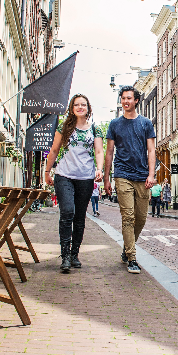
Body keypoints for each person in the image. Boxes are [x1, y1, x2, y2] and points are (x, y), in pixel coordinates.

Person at [44, 94, 104, 273]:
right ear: (72, 108)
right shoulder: (65, 127)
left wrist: (99, 169)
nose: (80, 107)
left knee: (79, 217)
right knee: (67, 212)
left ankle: (74, 254)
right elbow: (54, 150)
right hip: (64, 175)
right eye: (76, 105)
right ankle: (64, 256)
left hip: (85, 177)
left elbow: (99, 151)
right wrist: (47, 171)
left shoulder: (95, 129)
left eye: (83, 104)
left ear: (88, 107)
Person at [104, 86, 156, 274]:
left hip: (142, 176)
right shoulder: (114, 124)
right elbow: (109, 152)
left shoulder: (146, 123)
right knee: (128, 217)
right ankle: (132, 258)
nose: (125, 101)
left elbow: (151, 150)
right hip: (122, 174)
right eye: (123, 98)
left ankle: (127, 249)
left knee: (141, 219)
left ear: (136, 101)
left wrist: (151, 174)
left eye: (129, 98)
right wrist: (107, 179)